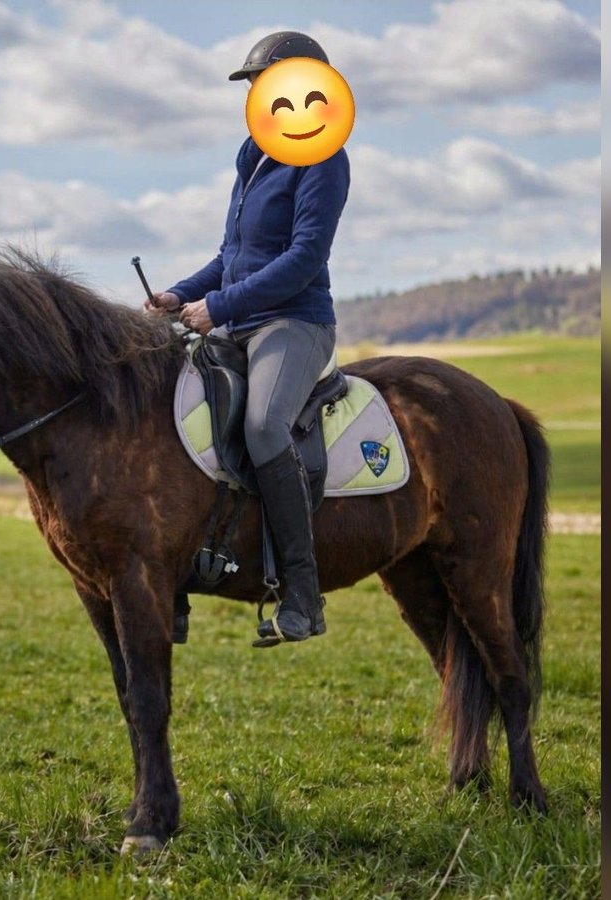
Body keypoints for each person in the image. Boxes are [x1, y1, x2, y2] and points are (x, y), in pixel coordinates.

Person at [145, 31, 350, 646]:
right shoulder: (253, 157)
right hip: (236, 324)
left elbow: (303, 257)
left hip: (294, 322)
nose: (256, 94)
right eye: (254, 86)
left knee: (263, 426)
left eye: (265, 82)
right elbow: (229, 258)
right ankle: (178, 574)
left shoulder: (323, 159)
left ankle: (303, 596)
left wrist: (220, 306)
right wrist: (180, 294)